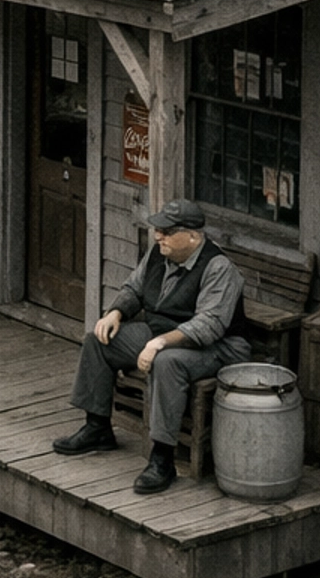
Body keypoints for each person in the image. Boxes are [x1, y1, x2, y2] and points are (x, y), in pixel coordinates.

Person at [52, 200, 250, 494]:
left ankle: (162, 458)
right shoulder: (159, 253)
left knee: (167, 362)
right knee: (99, 339)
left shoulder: (218, 267)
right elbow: (134, 288)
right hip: (162, 331)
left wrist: (159, 343)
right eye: (158, 229)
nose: (159, 236)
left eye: (167, 231)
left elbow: (208, 326)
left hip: (219, 348)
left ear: (192, 236)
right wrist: (115, 313)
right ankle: (97, 428)